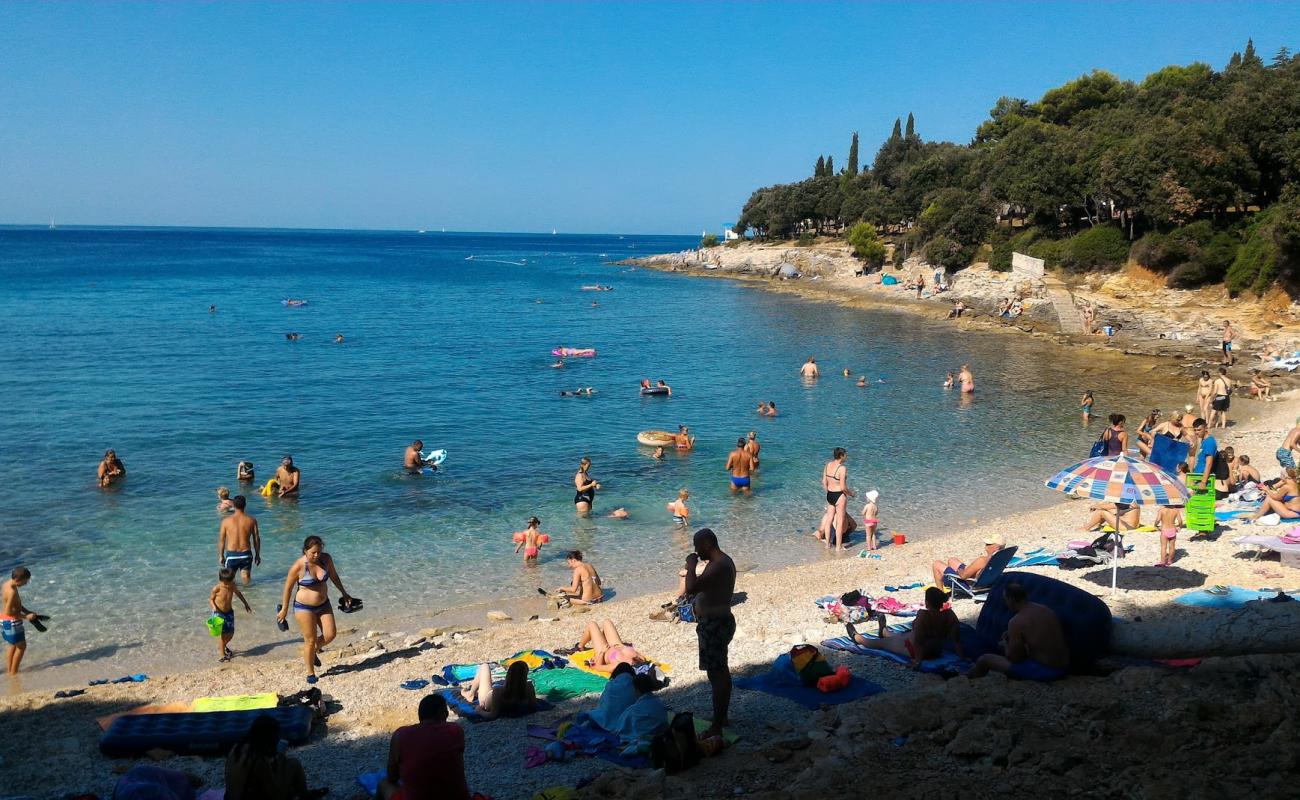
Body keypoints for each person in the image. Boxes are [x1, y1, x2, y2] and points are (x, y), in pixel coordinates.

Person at [276, 536, 354, 684]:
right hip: (304, 607)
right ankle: (310, 672)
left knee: (330, 635)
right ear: (305, 551)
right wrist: (284, 609)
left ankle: (312, 653)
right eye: (313, 553)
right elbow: (288, 588)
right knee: (310, 640)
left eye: (319, 551)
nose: (316, 555)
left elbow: (334, 577)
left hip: (324, 604)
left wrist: (344, 593)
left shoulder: (326, 559)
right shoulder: (298, 567)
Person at [684, 529, 736, 739]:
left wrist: (690, 565)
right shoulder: (721, 563)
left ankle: (717, 724)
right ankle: (721, 717)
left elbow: (691, 588)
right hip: (715, 622)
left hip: (715, 624)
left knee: (717, 674)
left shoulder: (718, 566)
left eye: (697, 546)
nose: (696, 550)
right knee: (719, 671)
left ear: (706, 544)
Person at [966, 583, 1069, 682]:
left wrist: (1005, 644)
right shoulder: (1046, 610)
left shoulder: (1016, 621)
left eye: (1006, 600)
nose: (1006, 603)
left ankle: (966, 679)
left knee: (984, 660)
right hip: (1064, 667)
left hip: (1045, 671)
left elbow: (1014, 658)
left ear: (1011, 600)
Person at [380, 694, 470, 800]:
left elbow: (392, 777)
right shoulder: (455, 731)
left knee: (384, 785)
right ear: (443, 713)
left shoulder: (401, 735)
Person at [845, 586, 960, 667]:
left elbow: (918, 642)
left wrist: (917, 661)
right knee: (902, 636)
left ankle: (858, 638)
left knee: (879, 644)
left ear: (927, 602)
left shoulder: (923, 615)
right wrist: (962, 656)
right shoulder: (949, 614)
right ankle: (885, 632)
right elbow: (956, 639)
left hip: (916, 650)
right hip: (936, 649)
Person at [226, 715, 322, 800]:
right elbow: (275, 793)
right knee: (293, 764)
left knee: (286, 773)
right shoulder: (258, 759)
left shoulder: (236, 748)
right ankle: (304, 795)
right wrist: (280, 757)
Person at [459, 660, 536, 719]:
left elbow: (492, 715)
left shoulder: (498, 692)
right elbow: (533, 707)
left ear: (509, 675)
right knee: (488, 682)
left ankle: (470, 694)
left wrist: (479, 711)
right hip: (509, 701)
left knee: (484, 666)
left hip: (486, 701)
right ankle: (474, 692)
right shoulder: (529, 687)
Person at [2, 567, 44, 675]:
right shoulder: (12, 592)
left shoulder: (7, 584)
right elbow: (8, 611)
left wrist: (27, 611)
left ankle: (10, 670)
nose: (26, 584)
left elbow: (17, 604)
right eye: (25, 581)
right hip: (12, 622)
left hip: (4, 620)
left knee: (13, 645)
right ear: (17, 579)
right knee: (21, 647)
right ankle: (14, 673)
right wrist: (26, 617)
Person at [210, 567, 252, 662]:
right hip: (218, 613)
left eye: (232, 581)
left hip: (229, 612)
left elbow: (238, 593)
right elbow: (211, 599)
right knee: (222, 634)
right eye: (229, 582)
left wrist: (245, 604)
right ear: (223, 581)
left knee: (230, 633)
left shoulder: (232, 585)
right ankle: (222, 655)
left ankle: (222, 646)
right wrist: (213, 607)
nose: (231, 583)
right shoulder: (216, 588)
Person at [931, 534, 1005, 588]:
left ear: (996, 547)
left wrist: (960, 571)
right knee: (952, 560)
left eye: (988, 544)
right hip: (986, 582)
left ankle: (940, 594)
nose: (986, 545)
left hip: (970, 584)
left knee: (936, 564)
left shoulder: (982, 560)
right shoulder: (1001, 558)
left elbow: (963, 576)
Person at [218, 495, 261, 586]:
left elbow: (222, 540)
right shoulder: (252, 520)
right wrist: (257, 554)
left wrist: (221, 555)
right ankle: (249, 597)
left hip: (232, 555)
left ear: (233, 505)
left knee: (228, 583)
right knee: (246, 580)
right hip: (246, 555)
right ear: (245, 505)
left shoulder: (226, 521)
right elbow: (256, 538)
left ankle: (233, 599)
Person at [576, 619, 647, 673]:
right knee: (607, 622)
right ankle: (602, 637)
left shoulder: (620, 666)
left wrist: (602, 653)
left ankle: (580, 646)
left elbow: (597, 667)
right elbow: (644, 660)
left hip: (604, 652)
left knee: (592, 624)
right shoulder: (639, 659)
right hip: (616, 644)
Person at [817, 448, 854, 550]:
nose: (846, 456)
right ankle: (838, 546)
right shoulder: (842, 468)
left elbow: (824, 481)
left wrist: (828, 492)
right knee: (840, 521)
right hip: (839, 495)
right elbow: (843, 487)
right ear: (841, 456)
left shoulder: (828, 465)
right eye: (845, 455)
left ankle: (827, 544)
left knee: (829, 520)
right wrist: (851, 494)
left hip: (830, 494)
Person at [1191, 418, 1218, 495]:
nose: (1196, 432)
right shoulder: (1204, 440)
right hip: (1198, 475)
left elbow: (1209, 463)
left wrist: (1203, 482)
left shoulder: (1209, 442)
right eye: (1195, 430)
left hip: (1202, 478)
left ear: (1205, 428)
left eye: (1199, 430)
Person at [1156, 497, 1184, 567]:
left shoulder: (1161, 510)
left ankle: (1162, 562)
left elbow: (1158, 520)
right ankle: (1170, 561)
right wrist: (1179, 526)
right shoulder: (1176, 510)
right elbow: (1180, 521)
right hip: (1172, 530)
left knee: (1163, 547)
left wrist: (1155, 525)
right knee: (1172, 547)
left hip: (1164, 530)